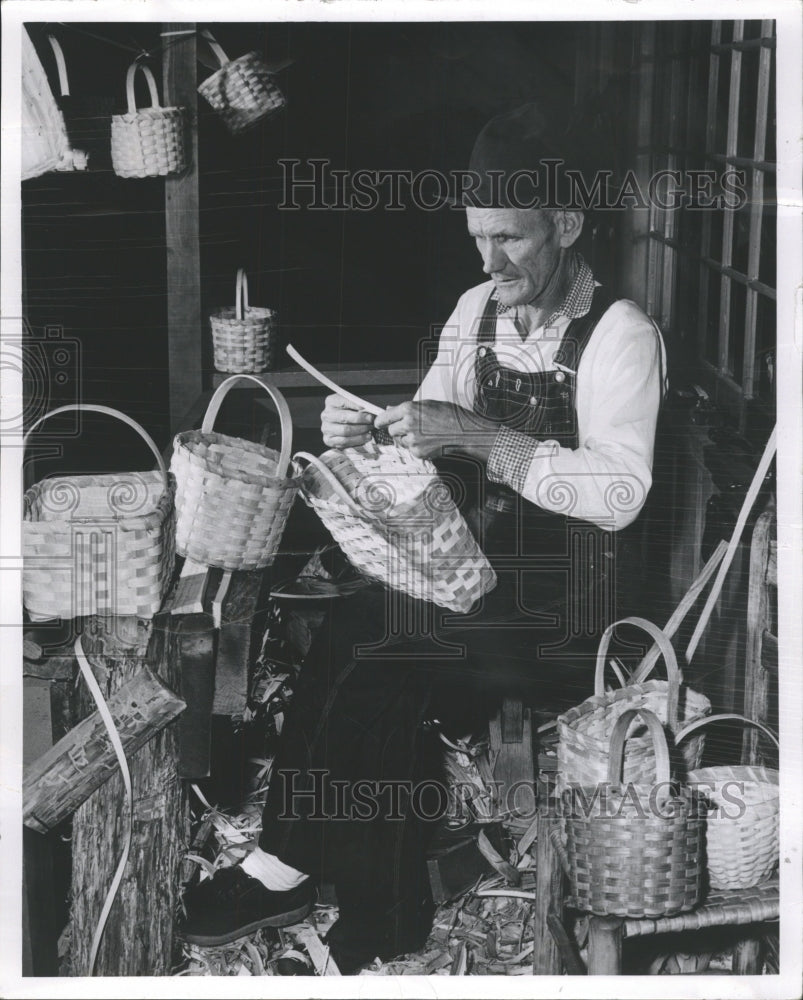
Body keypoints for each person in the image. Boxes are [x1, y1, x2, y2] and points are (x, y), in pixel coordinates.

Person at [179, 103, 666, 972]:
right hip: (471, 577)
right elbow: (429, 440)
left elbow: (621, 496)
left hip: (564, 615)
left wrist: (475, 437)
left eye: (511, 238)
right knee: (346, 633)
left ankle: (370, 910)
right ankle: (288, 863)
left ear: (565, 224)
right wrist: (366, 434)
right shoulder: (474, 308)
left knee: (383, 655)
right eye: (478, 236)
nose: (489, 259)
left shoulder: (619, 336)